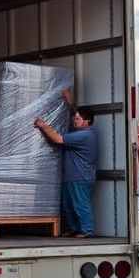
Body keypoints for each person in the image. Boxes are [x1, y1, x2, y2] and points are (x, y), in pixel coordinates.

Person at [34, 89, 98, 238]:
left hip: (80, 177)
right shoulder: (82, 131)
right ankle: (74, 229)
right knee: (68, 206)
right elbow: (78, 113)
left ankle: (87, 230)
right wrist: (70, 103)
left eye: (77, 119)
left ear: (86, 121)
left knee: (80, 204)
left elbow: (58, 139)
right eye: (74, 118)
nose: (74, 120)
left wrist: (42, 125)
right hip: (71, 176)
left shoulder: (85, 135)